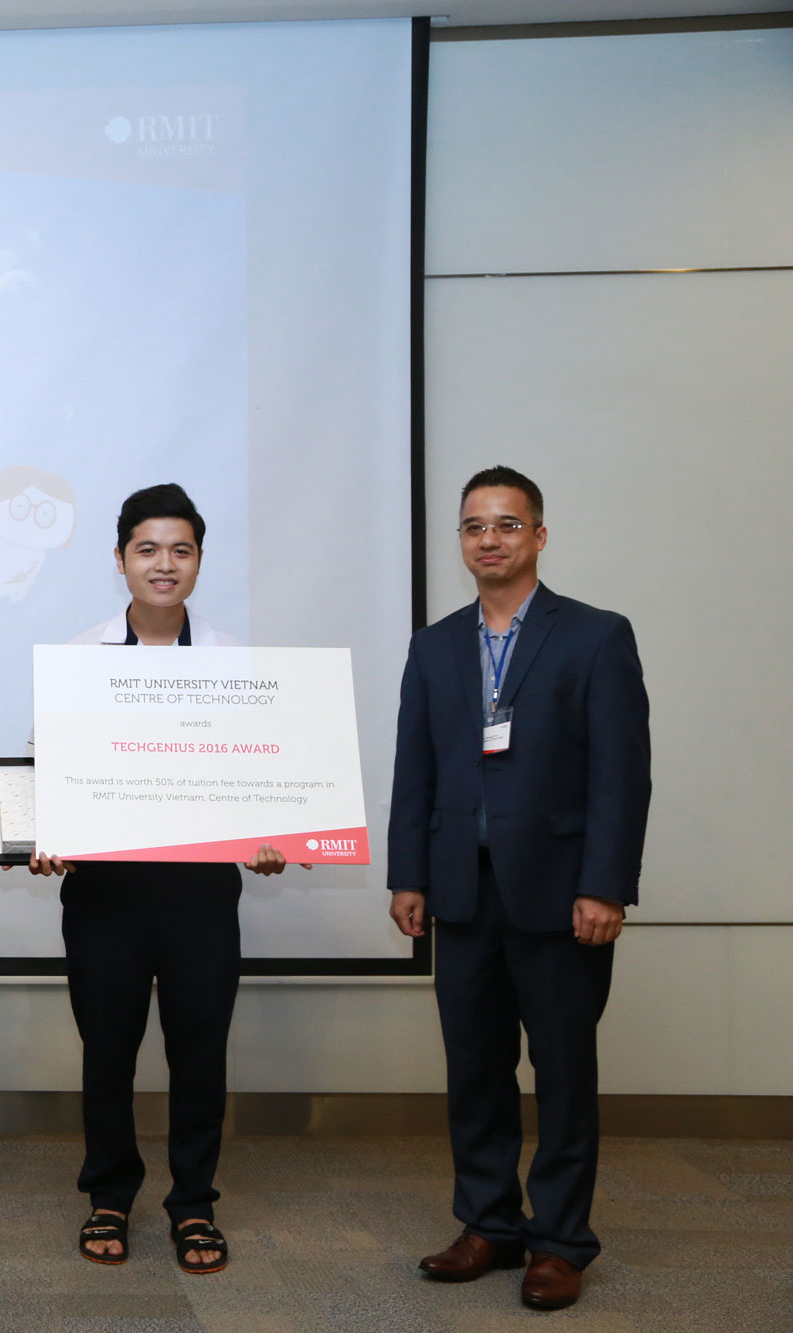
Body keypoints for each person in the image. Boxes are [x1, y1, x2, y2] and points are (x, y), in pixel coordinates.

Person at [388, 466, 650, 1312]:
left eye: (506, 524)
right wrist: (409, 874)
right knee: (475, 1069)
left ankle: (561, 1241)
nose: (488, 539)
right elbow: (414, 772)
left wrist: (605, 884)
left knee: (564, 1072)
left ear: (538, 535)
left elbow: (621, 775)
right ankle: (490, 1223)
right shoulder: (433, 645)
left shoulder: (596, 636)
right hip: (462, 893)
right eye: (473, 526)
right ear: (460, 542)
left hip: (563, 894)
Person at [26, 483, 294, 1276]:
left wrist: (269, 835)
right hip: (105, 895)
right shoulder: (77, 660)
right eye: (148, 549)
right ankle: (108, 1193)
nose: (164, 564)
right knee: (107, 1051)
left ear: (200, 561)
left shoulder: (234, 662)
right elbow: (45, 775)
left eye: (181, 549)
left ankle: (194, 1203)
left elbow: (265, 777)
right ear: (120, 561)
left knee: (199, 1051)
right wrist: (42, 837)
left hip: (199, 894)